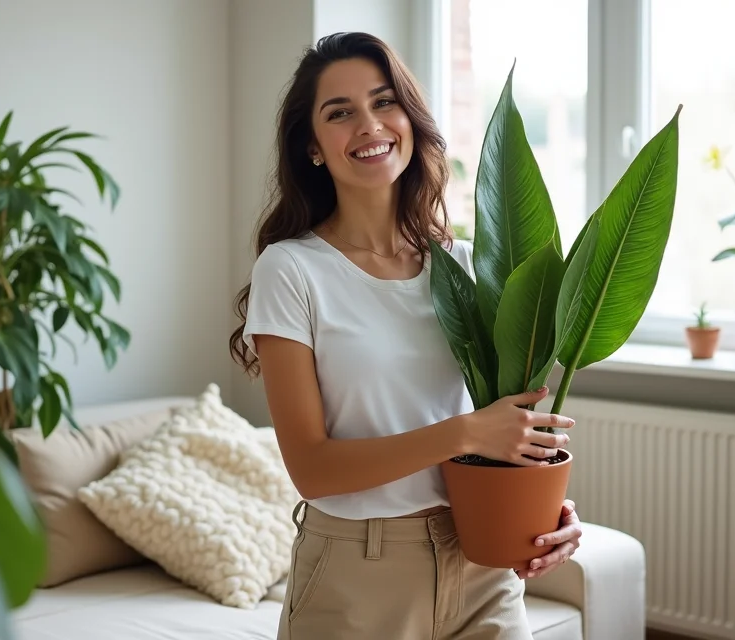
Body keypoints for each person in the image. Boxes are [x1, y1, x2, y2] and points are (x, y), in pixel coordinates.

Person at [228, 31, 583, 640]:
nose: (369, 124)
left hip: (481, 567)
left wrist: (544, 508)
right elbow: (312, 469)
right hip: (357, 579)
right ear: (313, 147)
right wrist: (468, 432)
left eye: (384, 101)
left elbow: (503, 431)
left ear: (410, 119)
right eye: (340, 113)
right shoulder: (291, 270)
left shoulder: (464, 266)